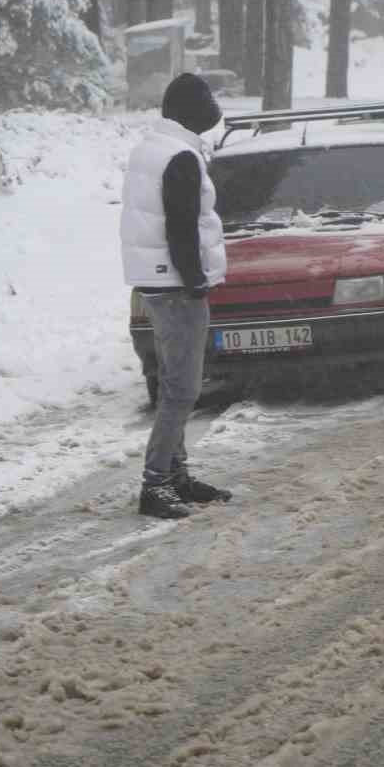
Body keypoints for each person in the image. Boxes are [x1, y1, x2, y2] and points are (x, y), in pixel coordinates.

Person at [119, 73, 234, 519]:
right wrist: (195, 280)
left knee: (173, 383)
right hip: (175, 285)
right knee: (182, 391)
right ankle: (155, 484)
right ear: (192, 110)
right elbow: (181, 228)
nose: (214, 109)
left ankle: (177, 475)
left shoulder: (153, 147)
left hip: (154, 281)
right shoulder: (181, 156)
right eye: (207, 101)